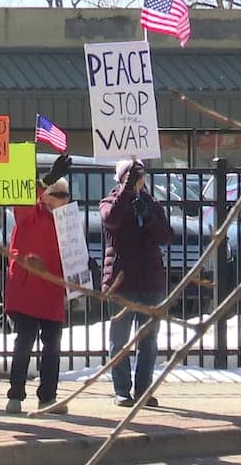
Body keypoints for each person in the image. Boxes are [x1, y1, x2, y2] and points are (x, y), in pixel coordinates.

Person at [5, 154, 74, 414]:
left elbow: (71, 253)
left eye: (66, 195)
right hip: (27, 291)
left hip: (52, 292)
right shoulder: (29, 215)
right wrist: (47, 179)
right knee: (24, 342)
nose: (64, 199)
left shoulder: (66, 221)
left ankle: (48, 397)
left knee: (52, 347)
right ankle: (15, 395)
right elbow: (23, 202)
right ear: (44, 196)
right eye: (58, 194)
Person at [101, 159, 173, 408]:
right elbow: (111, 220)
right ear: (122, 178)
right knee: (119, 341)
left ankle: (144, 390)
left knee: (148, 340)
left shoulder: (151, 203)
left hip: (150, 281)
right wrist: (126, 191)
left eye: (140, 177)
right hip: (122, 282)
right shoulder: (111, 201)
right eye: (133, 176)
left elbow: (165, 235)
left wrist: (148, 216)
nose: (138, 181)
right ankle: (122, 390)